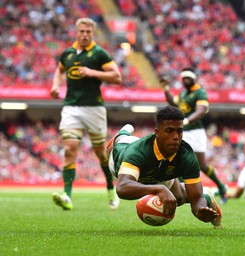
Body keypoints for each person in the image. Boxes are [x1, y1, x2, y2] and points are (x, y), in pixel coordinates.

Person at [107, 106, 222, 227]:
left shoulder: (187, 155)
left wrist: (200, 210)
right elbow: (122, 188)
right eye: (169, 130)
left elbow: (197, 199)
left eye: (180, 131)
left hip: (158, 172)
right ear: (157, 133)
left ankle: (208, 196)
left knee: (178, 199)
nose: (176, 136)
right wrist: (158, 189)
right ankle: (122, 133)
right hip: (122, 153)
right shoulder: (137, 152)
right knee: (123, 140)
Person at [50, 17, 122, 210]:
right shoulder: (68, 53)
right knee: (69, 149)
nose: (84, 35)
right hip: (71, 107)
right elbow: (59, 71)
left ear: (92, 33)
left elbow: (117, 76)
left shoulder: (99, 54)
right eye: (81, 31)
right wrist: (56, 86)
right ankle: (67, 195)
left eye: (88, 32)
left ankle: (110, 188)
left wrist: (92, 72)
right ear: (76, 32)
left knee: (100, 154)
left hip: (94, 108)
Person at [160, 68, 228, 203]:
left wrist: (187, 120)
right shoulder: (183, 93)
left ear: (193, 78)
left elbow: (201, 111)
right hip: (183, 132)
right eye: (183, 78)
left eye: (188, 77)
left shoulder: (200, 92)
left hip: (196, 132)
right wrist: (166, 88)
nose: (185, 80)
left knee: (202, 164)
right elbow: (173, 103)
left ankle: (221, 187)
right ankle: (180, 193)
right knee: (177, 160)